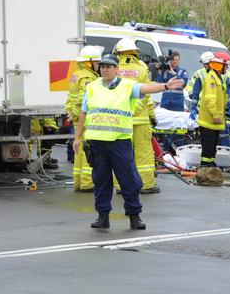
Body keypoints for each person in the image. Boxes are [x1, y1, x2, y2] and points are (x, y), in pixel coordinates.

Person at [72, 53, 184, 230]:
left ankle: (134, 216)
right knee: (101, 182)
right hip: (97, 143)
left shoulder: (127, 86)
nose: (105, 69)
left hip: (119, 142)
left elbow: (146, 89)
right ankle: (102, 216)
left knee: (129, 181)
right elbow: (84, 114)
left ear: (117, 69)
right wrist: (77, 137)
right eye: (102, 66)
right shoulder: (92, 87)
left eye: (109, 66)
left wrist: (165, 86)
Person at [114, 37, 161, 194]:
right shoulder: (142, 68)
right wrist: (152, 115)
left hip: (120, 120)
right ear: (135, 52)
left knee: (121, 154)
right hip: (140, 120)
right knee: (143, 152)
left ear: (119, 53)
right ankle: (146, 184)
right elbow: (146, 94)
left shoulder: (114, 70)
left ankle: (121, 186)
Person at [65, 45, 102, 192]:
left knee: (79, 150)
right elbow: (83, 100)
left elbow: (70, 99)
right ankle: (87, 183)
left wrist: (73, 113)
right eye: (97, 62)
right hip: (85, 118)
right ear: (89, 62)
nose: (98, 66)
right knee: (89, 150)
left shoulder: (76, 74)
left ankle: (79, 182)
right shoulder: (88, 77)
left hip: (77, 117)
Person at [188, 51, 230, 147]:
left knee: (223, 136)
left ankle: (224, 155)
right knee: (209, 140)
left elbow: (229, 92)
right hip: (205, 111)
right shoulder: (200, 74)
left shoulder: (225, 74)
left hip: (219, 112)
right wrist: (193, 107)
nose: (205, 66)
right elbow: (195, 92)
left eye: (206, 64)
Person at [197, 54, 229, 167]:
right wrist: (215, 114)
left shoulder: (216, 77)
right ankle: (206, 166)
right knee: (208, 147)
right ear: (220, 66)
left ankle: (210, 164)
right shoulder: (212, 79)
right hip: (209, 121)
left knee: (212, 146)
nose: (227, 68)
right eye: (226, 66)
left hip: (214, 121)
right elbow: (210, 99)